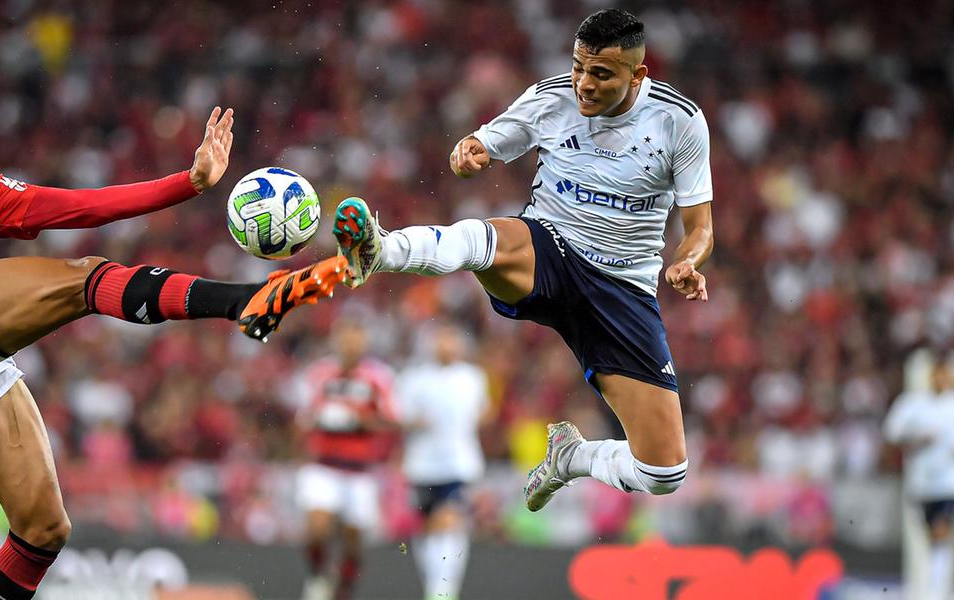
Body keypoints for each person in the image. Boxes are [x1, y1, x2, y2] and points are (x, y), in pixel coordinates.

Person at [0, 56, 346, 599]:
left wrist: (189, 182)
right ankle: (245, 301)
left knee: (42, 531)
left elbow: (83, 207)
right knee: (86, 279)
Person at [332, 8, 710, 508]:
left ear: (637, 74)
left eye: (601, 73)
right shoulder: (551, 99)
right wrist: (467, 152)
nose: (584, 84)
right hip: (550, 247)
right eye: (579, 66)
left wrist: (688, 261)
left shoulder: (679, 122)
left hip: (623, 289)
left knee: (665, 472)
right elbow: (480, 146)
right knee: (485, 239)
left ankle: (570, 458)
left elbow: (699, 227)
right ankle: (380, 250)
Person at [292, 320, 396, 600]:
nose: (351, 346)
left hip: (360, 469)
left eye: (356, 339)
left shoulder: (379, 377)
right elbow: (301, 419)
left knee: (354, 538)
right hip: (323, 464)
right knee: (317, 528)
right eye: (346, 339)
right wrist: (319, 419)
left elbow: (391, 422)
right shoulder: (319, 374)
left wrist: (360, 420)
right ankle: (318, 577)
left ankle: (345, 590)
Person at [395, 324, 489, 600]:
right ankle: (435, 586)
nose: (447, 346)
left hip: (459, 464)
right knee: (427, 529)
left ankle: (443, 592)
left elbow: (484, 411)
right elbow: (400, 416)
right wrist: (416, 422)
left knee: (449, 521)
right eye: (442, 340)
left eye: (452, 340)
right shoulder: (414, 378)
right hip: (422, 465)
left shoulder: (472, 377)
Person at [884, 356, 954, 600]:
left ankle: (937, 592)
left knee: (942, 530)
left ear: (951, 376)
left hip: (953, 483)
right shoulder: (912, 403)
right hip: (922, 483)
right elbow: (891, 433)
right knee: (932, 535)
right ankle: (933, 583)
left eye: (946, 374)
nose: (941, 379)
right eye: (937, 373)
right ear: (931, 376)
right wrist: (916, 440)